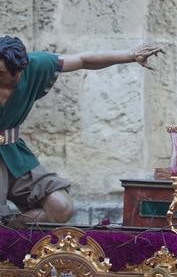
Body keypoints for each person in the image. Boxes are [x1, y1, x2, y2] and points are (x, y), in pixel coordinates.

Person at [0, 35, 163, 227]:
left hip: (14, 155)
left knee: (61, 208)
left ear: (20, 68)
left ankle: (7, 227)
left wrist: (130, 55)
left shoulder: (36, 65)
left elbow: (83, 60)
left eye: (1, 72)